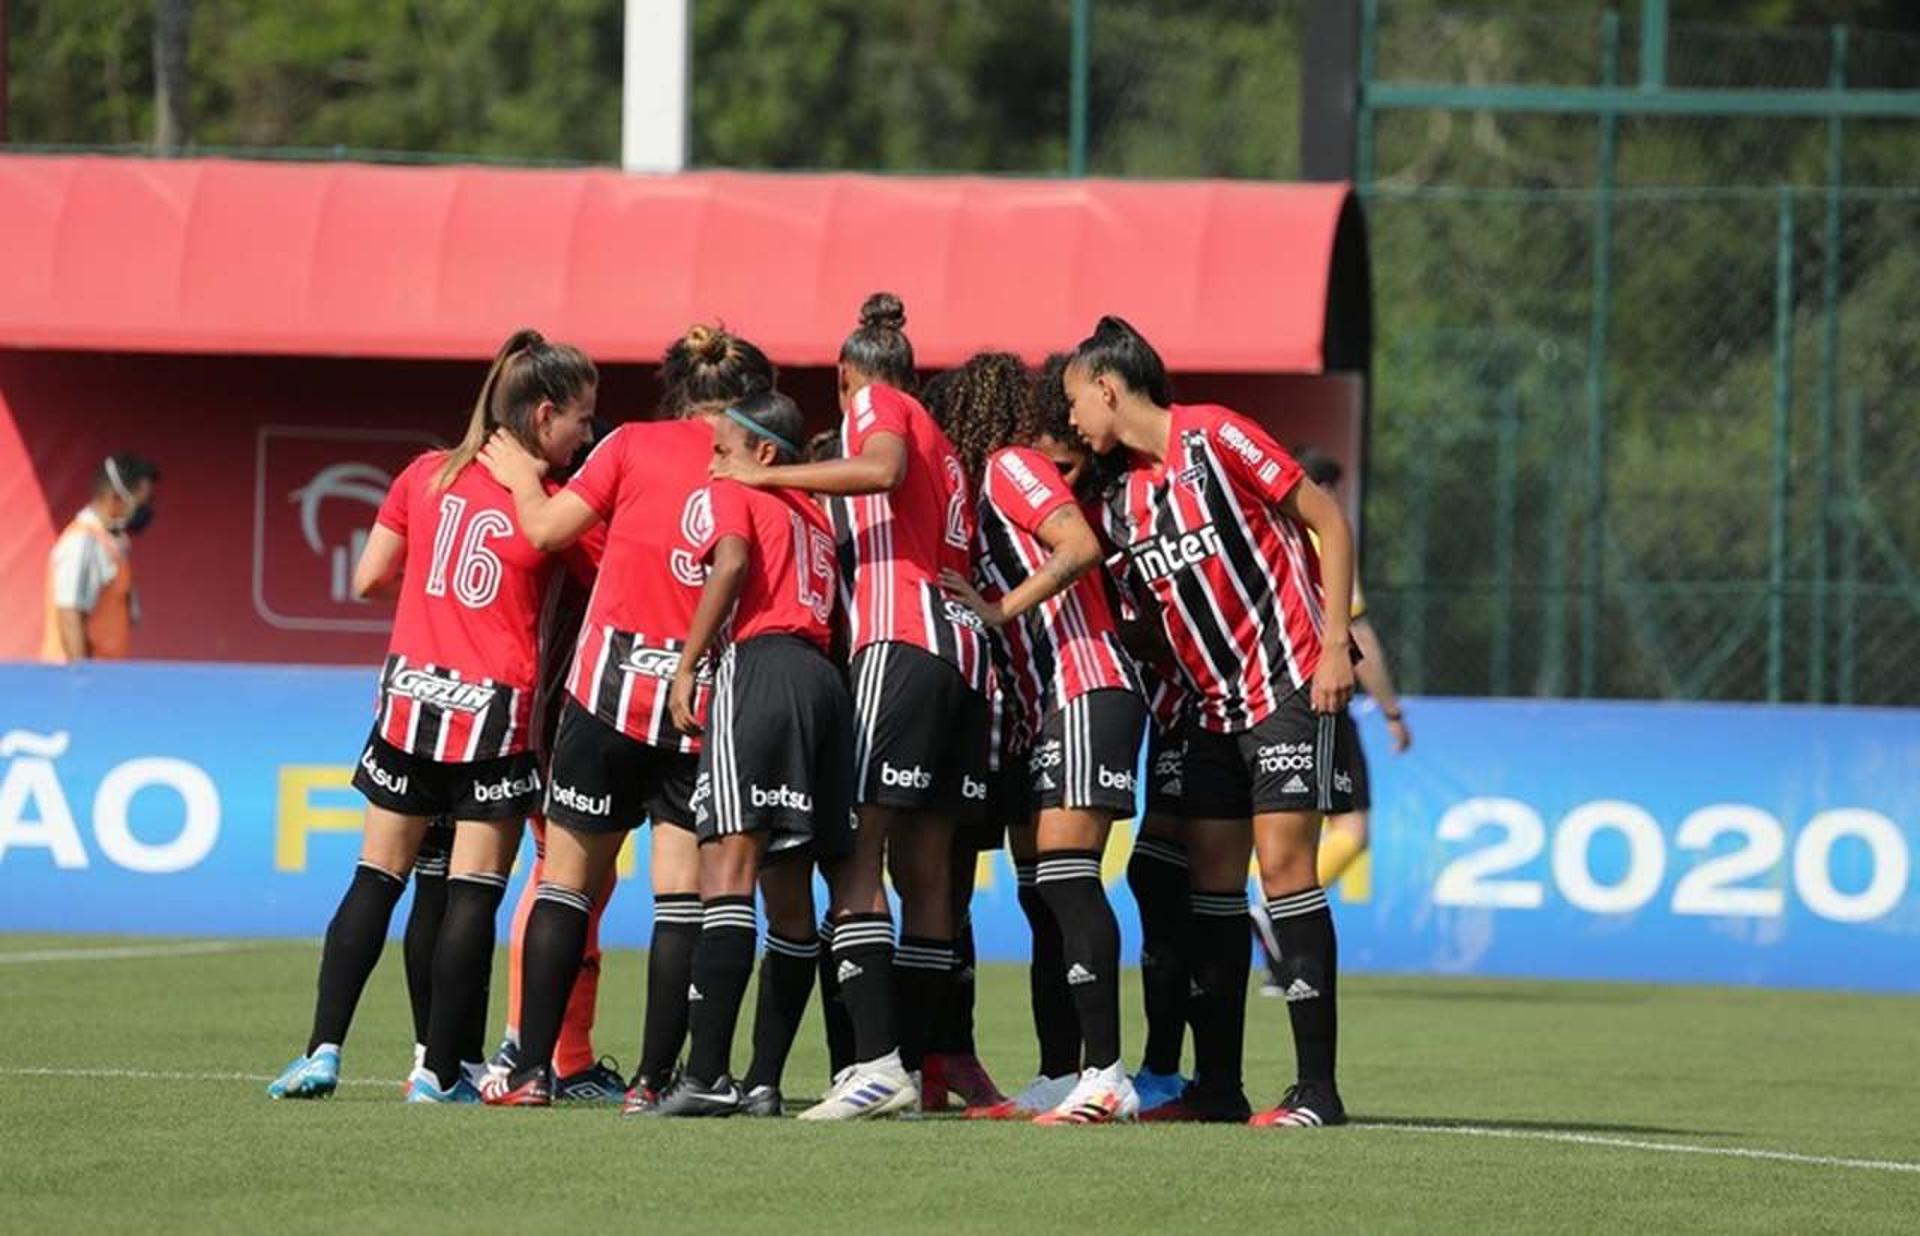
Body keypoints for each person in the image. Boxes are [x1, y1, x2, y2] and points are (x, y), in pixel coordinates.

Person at [267, 329, 599, 1103]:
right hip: (493, 714)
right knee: (470, 894)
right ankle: (437, 1073)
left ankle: (322, 1050)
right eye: (581, 417)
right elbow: (603, 575)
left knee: (376, 879)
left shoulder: (424, 474)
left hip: (411, 702)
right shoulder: (551, 506)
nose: (587, 434)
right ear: (542, 415)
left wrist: (432, 603)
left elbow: (368, 577)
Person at [1066, 315, 1358, 1130]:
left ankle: (1318, 1092)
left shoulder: (1217, 436)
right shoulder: (1120, 502)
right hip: (1209, 710)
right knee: (1213, 888)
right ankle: (1218, 1088)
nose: (1074, 421)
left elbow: (1326, 521)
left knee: (1285, 867)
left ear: (1108, 387)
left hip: (1291, 678)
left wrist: (1335, 646)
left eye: (1076, 400)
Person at [475, 325, 775, 1109]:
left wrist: (518, 474)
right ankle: (651, 1082)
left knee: (567, 886)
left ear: (676, 390)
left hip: (606, 699)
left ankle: (529, 1071)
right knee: (681, 901)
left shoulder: (631, 444)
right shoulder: (767, 466)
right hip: (699, 705)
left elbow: (544, 531)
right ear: (750, 399)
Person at [710, 293, 990, 1120]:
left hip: (900, 642)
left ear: (844, 377)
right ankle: (921, 1066)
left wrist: (768, 472)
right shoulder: (949, 447)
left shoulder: (878, 401)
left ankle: (877, 1063)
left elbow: (878, 469)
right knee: (929, 875)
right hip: (959, 656)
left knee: (854, 860)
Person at [938, 350, 1148, 1124]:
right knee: (1039, 899)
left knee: (1065, 879)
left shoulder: (1009, 464)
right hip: (1043, 706)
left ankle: (1107, 1075)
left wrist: (1001, 610)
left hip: (1086, 687)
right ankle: (1062, 1074)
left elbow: (1079, 545)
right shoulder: (980, 491)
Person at [635, 390, 855, 1116]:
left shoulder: (739, 493)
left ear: (764, 452)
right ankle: (762, 1080)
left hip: (760, 671)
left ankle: (704, 1077)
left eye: (724, 447)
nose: (713, 462)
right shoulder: (817, 515)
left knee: (725, 873)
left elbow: (729, 564)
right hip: (823, 683)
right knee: (791, 897)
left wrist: (688, 661)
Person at [1250, 446, 1411, 997]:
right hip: (1320, 694)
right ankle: (1277, 918)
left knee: (1283, 833)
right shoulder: (1325, 539)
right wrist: (1391, 711)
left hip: (1263, 697)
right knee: (1351, 828)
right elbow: (1358, 635)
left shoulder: (1264, 535)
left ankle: (1278, 953)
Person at [41, 453, 159, 662]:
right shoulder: (83, 544)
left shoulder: (111, 541)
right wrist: (82, 681)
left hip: (104, 678)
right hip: (77, 684)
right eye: (141, 502)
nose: (145, 510)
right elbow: (69, 615)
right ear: (115, 498)